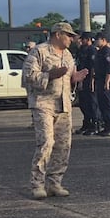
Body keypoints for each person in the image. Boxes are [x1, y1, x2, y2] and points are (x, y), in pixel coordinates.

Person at [22, 22, 88, 199]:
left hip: (64, 105)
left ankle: (55, 183)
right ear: (58, 34)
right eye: (68, 35)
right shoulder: (39, 51)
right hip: (44, 104)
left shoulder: (68, 55)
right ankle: (37, 184)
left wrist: (75, 78)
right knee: (46, 143)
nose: (71, 39)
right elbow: (27, 76)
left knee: (63, 145)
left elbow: (69, 78)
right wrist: (50, 75)